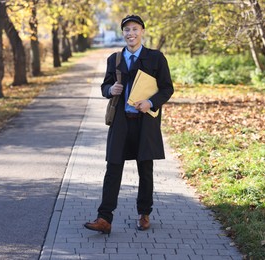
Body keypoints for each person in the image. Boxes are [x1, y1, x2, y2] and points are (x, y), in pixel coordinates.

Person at [84, 15, 174, 234]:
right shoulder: (114, 59)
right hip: (121, 122)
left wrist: (151, 102)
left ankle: (144, 214)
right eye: (126, 30)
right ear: (122, 33)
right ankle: (104, 218)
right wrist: (109, 90)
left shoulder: (156, 58)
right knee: (113, 167)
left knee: (145, 168)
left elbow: (166, 88)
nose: (130, 33)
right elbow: (105, 86)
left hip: (145, 123)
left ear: (142, 31)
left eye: (134, 29)